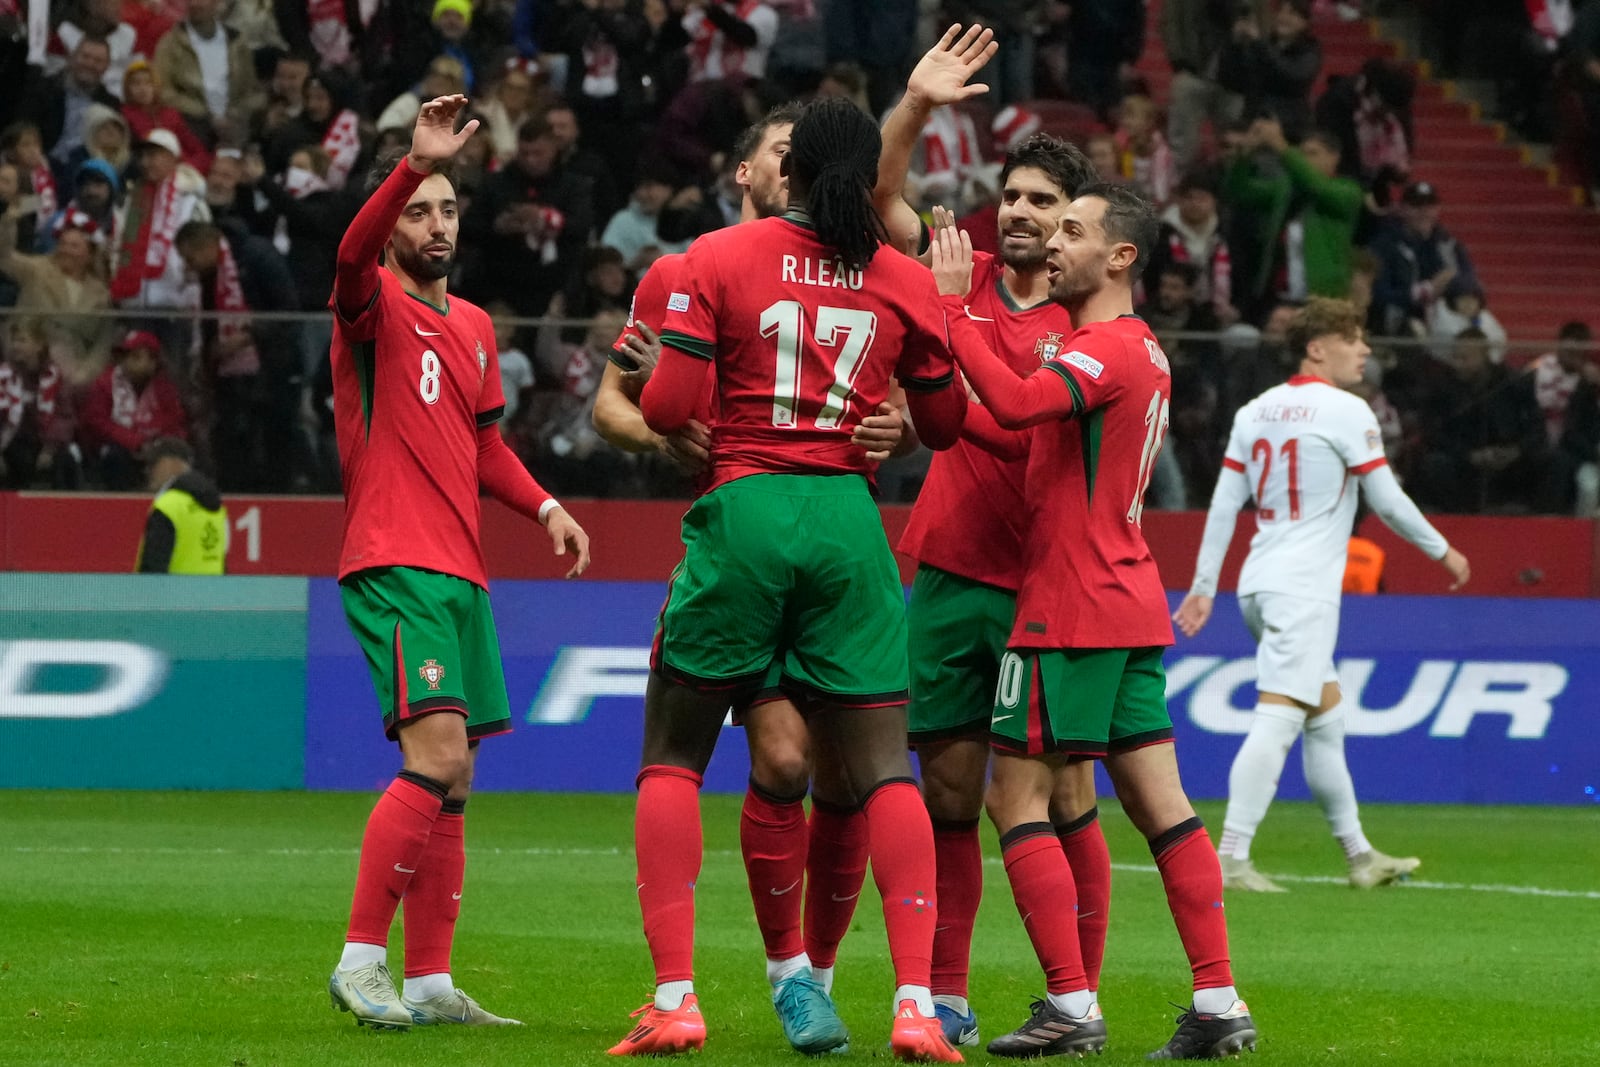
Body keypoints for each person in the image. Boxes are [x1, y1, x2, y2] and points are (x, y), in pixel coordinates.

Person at [613, 96, 969, 1062]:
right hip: (849, 524)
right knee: (881, 767)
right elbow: (941, 425)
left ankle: (678, 996)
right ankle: (914, 1005)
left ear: (792, 170)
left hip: (748, 509)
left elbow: (673, 402)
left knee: (673, 754)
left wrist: (660, 382)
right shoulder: (897, 275)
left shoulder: (715, 262)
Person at [929, 184, 1258, 1060]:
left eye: (1073, 230)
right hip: (1127, 597)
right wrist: (936, 417)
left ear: (1119, 257)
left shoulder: (1100, 349)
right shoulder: (1137, 350)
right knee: (1165, 806)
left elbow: (1014, 402)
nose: (1052, 242)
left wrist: (954, 310)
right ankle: (1219, 999)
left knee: (1015, 795)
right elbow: (1025, 439)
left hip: (1066, 606)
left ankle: (1071, 1005)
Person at [324, 94, 591, 1031]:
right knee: (433, 755)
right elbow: (350, 257)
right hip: (393, 558)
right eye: (417, 211)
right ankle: (361, 961)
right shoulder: (371, 306)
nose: (434, 225)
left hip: (462, 571)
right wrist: (409, 162)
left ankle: (431, 978)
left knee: (461, 777)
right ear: (395, 222)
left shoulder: (476, 326)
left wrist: (547, 505)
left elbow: (484, 450)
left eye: (444, 209)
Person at [872, 24, 1109, 1051]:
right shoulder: (949, 268)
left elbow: (1019, 417)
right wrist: (916, 108)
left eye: (1041, 206)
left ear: (1075, 230)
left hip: (1047, 588)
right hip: (953, 573)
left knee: (1062, 791)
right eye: (1010, 198)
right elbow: (879, 198)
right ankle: (950, 991)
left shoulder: (1092, 327)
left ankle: (1075, 991)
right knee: (950, 792)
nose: (1017, 215)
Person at [1173, 296, 1471, 893]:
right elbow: (1385, 499)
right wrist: (1444, 550)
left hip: (1261, 582)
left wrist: (1206, 586)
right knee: (1279, 718)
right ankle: (1229, 857)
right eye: (1353, 339)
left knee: (1325, 720)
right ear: (1317, 347)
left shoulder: (1254, 410)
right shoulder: (1345, 410)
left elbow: (1226, 506)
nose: (1364, 350)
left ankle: (1361, 857)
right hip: (1303, 589)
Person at [135, 437, 227, 574]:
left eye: (152, 464)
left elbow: (153, 566)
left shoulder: (168, 506)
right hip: (211, 592)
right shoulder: (216, 507)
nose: (147, 471)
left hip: (176, 593)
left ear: (169, 463)